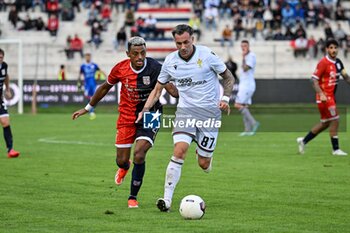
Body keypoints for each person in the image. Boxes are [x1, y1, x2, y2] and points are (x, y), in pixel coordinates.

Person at [135, 24, 235, 212]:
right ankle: (167, 200)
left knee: (204, 165)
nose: (182, 46)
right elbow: (158, 89)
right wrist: (145, 110)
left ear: (193, 39)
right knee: (179, 151)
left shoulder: (207, 55)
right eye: (178, 43)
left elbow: (229, 77)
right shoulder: (170, 61)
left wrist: (225, 98)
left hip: (209, 114)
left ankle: (203, 155)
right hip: (185, 112)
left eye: (186, 42)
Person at [72, 37, 178, 208]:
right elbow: (104, 87)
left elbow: (173, 92)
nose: (140, 57)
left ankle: (132, 197)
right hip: (126, 115)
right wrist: (88, 107)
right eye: (135, 53)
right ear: (128, 54)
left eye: (143, 53)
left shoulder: (156, 68)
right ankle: (124, 167)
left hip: (151, 113)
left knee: (139, 153)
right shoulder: (120, 69)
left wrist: (174, 87)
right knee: (121, 160)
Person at [297, 39, 350, 156]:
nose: (334, 50)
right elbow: (314, 80)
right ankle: (336, 149)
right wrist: (321, 94)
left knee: (325, 123)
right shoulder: (323, 63)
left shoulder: (339, 63)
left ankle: (304, 141)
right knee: (335, 119)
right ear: (327, 49)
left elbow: (346, 76)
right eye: (331, 48)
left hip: (331, 97)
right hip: (325, 97)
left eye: (335, 48)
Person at [234, 40, 259, 136]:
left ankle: (254, 123)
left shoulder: (251, 56)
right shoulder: (247, 56)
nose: (243, 47)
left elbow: (245, 68)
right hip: (244, 84)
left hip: (247, 85)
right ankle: (247, 130)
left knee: (237, 104)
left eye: (245, 46)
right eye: (242, 46)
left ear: (248, 46)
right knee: (244, 106)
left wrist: (244, 57)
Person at [0, 49, 20, 158]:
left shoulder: (4, 66)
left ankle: (10, 150)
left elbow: (6, 76)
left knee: (6, 122)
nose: (0, 59)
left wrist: (7, 89)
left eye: (2, 57)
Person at [77, 53, 106, 120]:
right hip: (86, 85)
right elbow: (80, 74)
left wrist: (106, 76)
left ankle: (91, 111)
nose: (88, 58)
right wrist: (78, 82)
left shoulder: (94, 65)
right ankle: (91, 112)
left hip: (93, 84)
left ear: (90, 57)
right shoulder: (83, 66)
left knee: (94, 98)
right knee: (88, 98)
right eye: (87, 57)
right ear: (85, 57)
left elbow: (100, 70)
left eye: (89, 57)